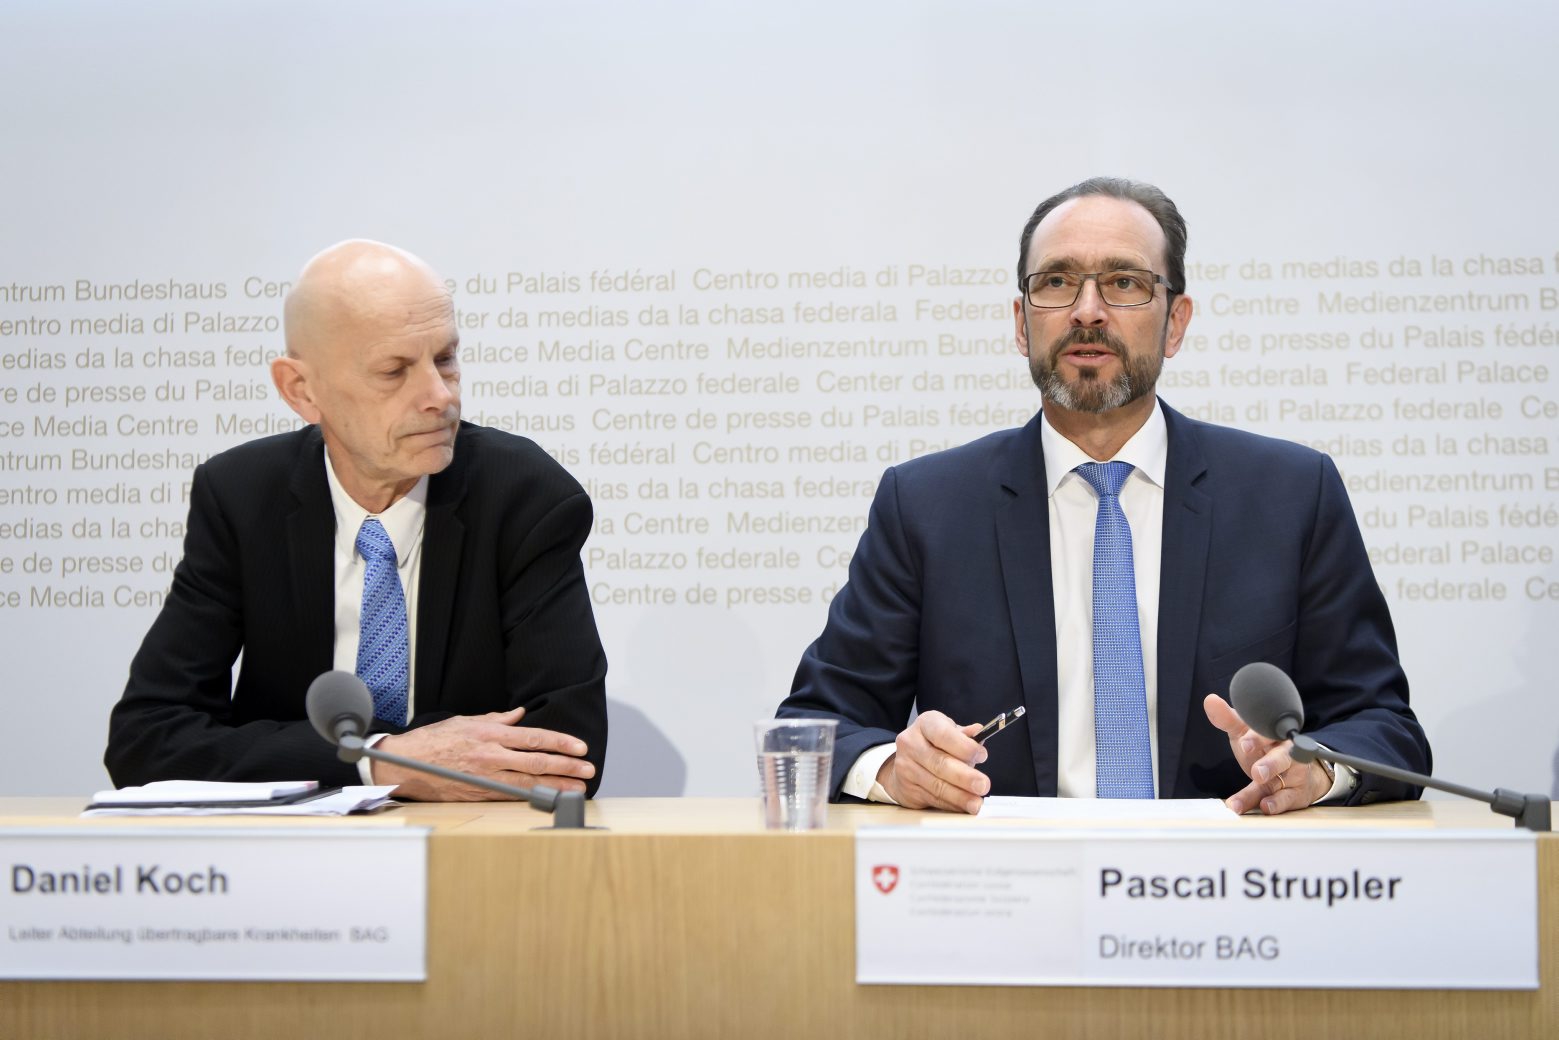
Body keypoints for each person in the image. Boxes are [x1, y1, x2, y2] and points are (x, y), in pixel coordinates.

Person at [777, 177, 1430, 816]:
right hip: (1000, 892)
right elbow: (815, 725)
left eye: (1123, 282)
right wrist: (895, 768)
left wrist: (1312, 772)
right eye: (1056, 282)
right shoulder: (927, 505)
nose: (1086, 310)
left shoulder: (1290, 495)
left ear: (1175, 323)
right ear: (1020, 322)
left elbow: (1381, 726)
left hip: (1226, 888)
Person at [105, 240, 607, 800]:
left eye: (445, 359)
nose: (439, 397)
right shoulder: (243, 498)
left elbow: (567, 752)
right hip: (284, 858)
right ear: (301, 389)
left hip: (465, 848)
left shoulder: (523, 495)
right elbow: (144, 742)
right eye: (394, 371)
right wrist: (381, 763)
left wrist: (326, 758)